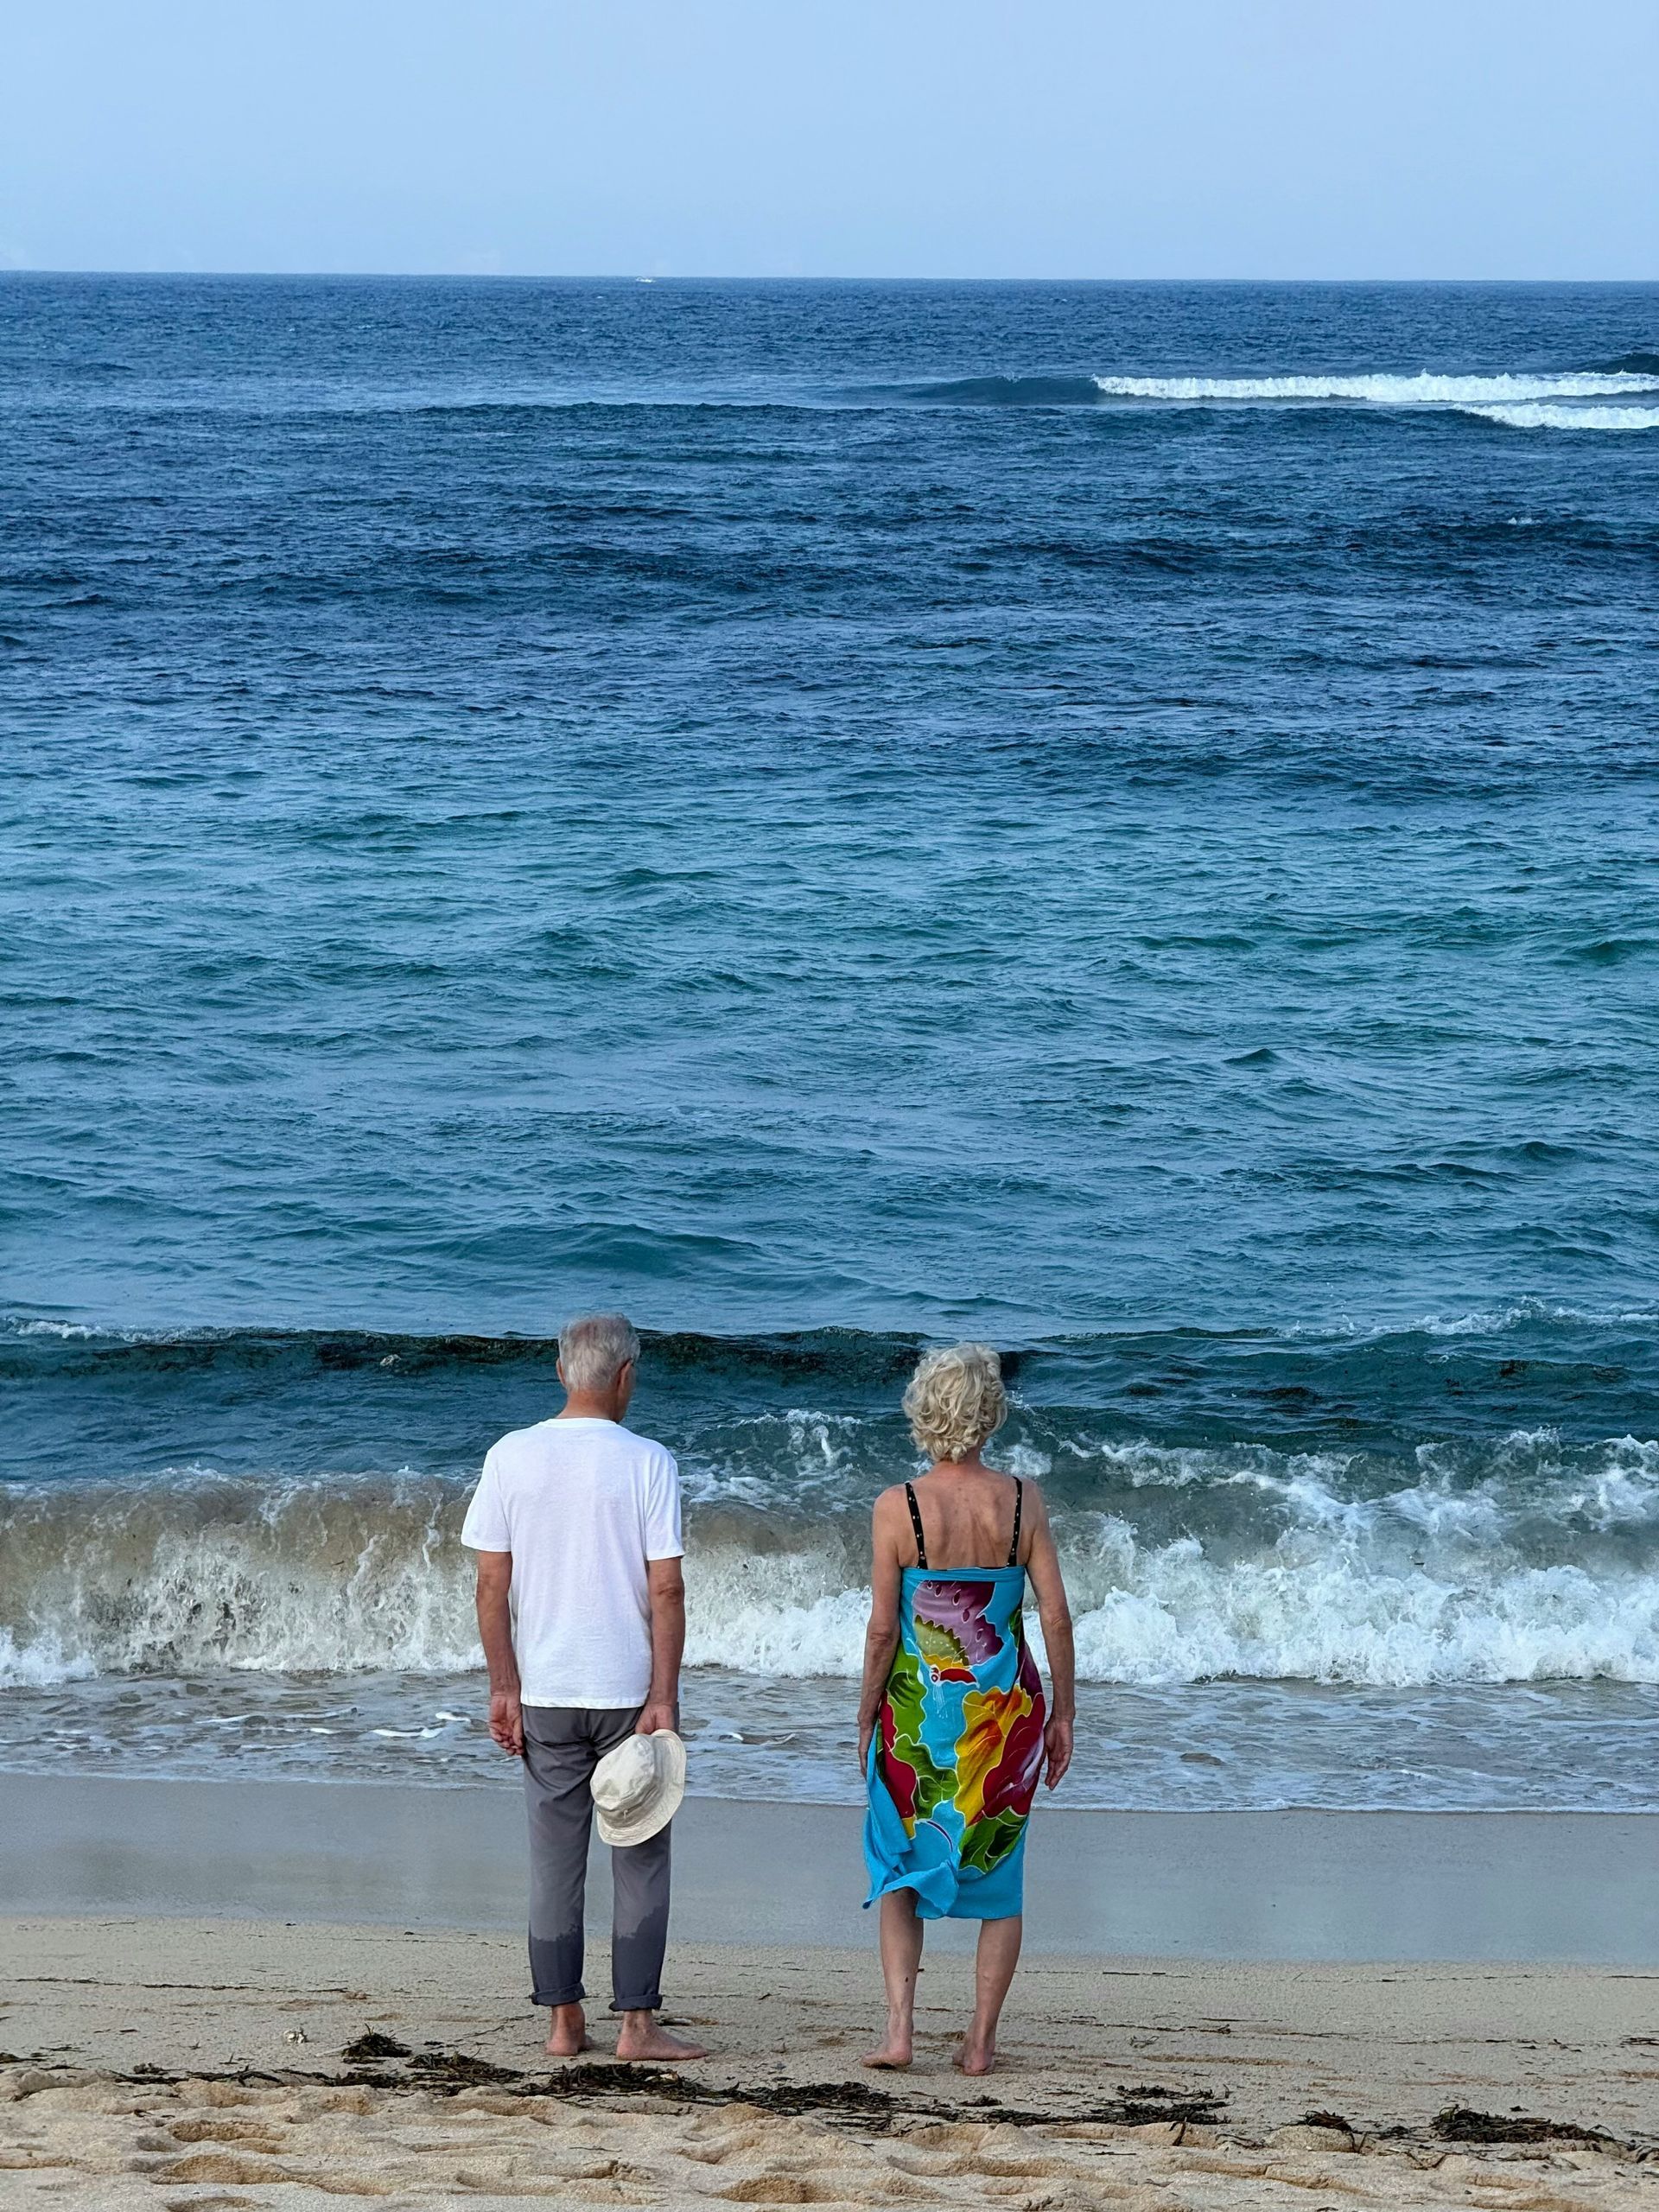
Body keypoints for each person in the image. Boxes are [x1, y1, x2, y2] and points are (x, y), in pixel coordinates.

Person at [461, 1311, 706, 2063]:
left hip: (547, 1689)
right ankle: (636, 2025)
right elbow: (666, 1589)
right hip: (627, 1690)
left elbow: (490, 1583)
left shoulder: (510, 1455)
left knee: (554, 1859)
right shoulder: (647, 1462)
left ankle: (564, 2024)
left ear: (562, 1372)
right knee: (640, 1854)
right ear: (625, 1375)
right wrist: (664, 1694)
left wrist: (504, 1685)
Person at [858, 1342, 1075, 2075]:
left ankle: (898, 2032)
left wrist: (864, 1713)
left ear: (923, 1412)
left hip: (919, 1717)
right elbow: (1056, 1619)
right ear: (990, 1416)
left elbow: (886, 1629)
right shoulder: (1022, 1500)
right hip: (1005, 1716)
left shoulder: (899, 1508)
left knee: (899, 1865)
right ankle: (981, 2041)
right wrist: (1064, 1715)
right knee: (1001, 1875)